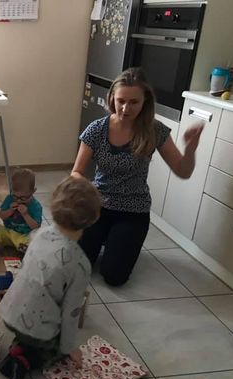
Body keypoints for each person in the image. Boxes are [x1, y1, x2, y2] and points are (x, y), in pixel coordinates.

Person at [72, 67, 205, 287]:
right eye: (121, 101)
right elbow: (76, 172)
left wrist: (190, 150)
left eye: (134, 102)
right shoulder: (96, 129)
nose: (125, 108)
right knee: (78, 265)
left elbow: (183, 171)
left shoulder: (155, 130)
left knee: (114, 276)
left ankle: (118, 241)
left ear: (145, 102)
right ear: (112, 98)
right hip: (97, 207)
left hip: (133, 211)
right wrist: (87, 189)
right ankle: (109, 239)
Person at [0, 176, 101, 379]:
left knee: (33, 324)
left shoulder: (38, 234)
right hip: (35, 328)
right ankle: (24, 361)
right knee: (54, 348)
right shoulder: (81, 265)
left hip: (9, 313)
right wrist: (69, 348)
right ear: (93, 219)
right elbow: (71, 312)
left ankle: (18, 347)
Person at [0, 168, 42, 271]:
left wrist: (25, 214)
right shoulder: (10, 199)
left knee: (34, 245)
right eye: (16, 197)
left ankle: (31, 261)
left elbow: (35, 227)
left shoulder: (36, 206)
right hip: (8, 232)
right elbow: (2, 216)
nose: (19, 201)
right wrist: (10, 210)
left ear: (33, 191)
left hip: (24, 235)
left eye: (23, 198)